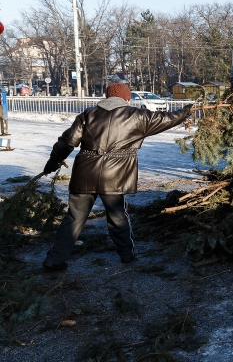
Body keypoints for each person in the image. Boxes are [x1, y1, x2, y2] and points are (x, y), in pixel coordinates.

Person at [41, 83, 193, 271]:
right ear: (126, 98)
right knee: (117, 216)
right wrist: (186, 112)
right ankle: (127, 256)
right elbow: (165, 119)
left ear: (107, 97)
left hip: (85, 173)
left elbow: (67, 141)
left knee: (73, 218)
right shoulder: (138, 115)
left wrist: (54, 161)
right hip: (115, 176)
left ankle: (54, 260)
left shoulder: (87, 115)